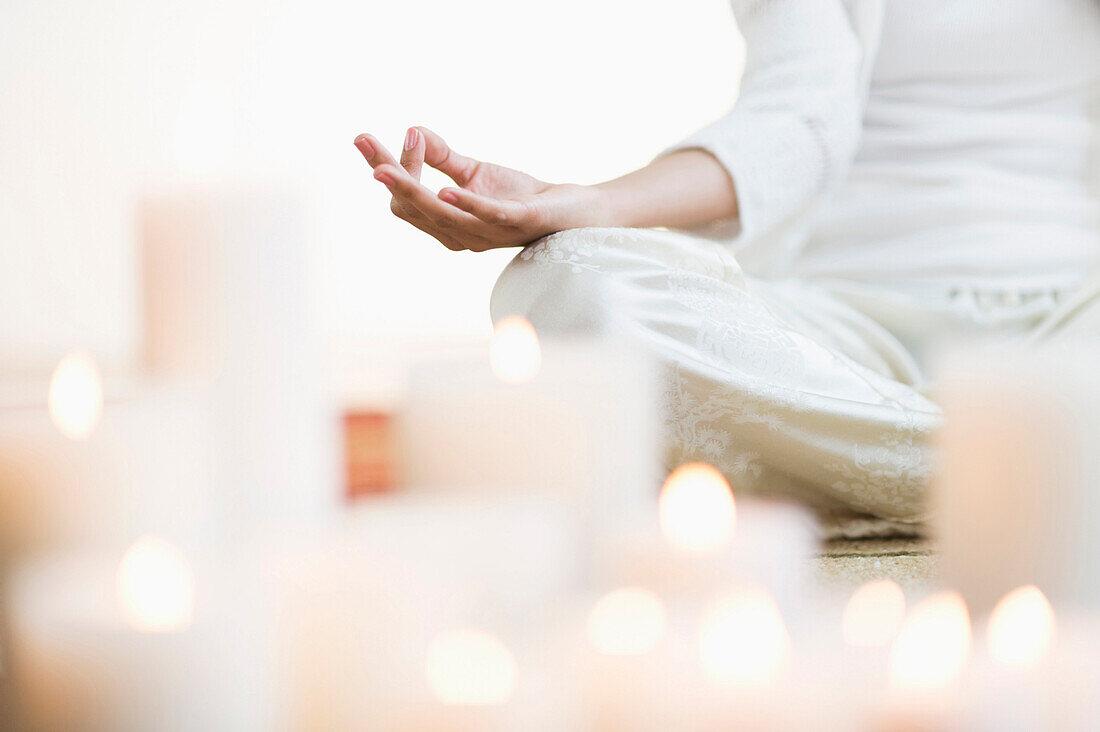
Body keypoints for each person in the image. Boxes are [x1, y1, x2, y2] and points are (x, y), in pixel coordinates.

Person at [353, 0, 1100, 536]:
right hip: (836, 324)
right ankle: (1030, 466)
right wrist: (584, 203)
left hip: (1074, 315)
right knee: (566, 281)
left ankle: (893, 469)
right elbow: (796, 120)